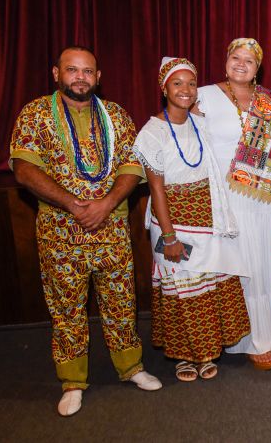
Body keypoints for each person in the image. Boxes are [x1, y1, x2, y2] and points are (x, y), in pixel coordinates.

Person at [9, 46, 161, 417]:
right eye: (72, 70)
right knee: (66, 308)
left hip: (111, 230)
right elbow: (23, 168)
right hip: (60, 232)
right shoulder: (35, 114)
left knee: (122, 302)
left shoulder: (116, 116)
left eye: (88, 71)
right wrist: (72, 204)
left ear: (98, 76)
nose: (80, 77)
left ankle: (131, 367)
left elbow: (132, 165)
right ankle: (73, 381)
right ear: (56, 73)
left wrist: (106, 204)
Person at [133, 57, 251, 382]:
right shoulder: (152, 132)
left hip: (206, 214)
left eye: (190, 83)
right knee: (181, 288)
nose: (185, 90)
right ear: (163, 88)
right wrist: (169, 237)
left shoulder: (199, 122)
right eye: (177, 83)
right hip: (174, 220)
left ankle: (207, 351)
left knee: (208, 286)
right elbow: (156, 189)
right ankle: (184, 357)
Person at [196, 38, 271, 370]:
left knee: (264, 267)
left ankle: (265, 334)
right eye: (235, 57)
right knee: (234, 267)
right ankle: (242, 339)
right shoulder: (203, 96)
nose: (241, 64)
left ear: (258, 67)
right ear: (225, 61)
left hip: (263, 200)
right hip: (223, 198)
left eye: (249, 60)